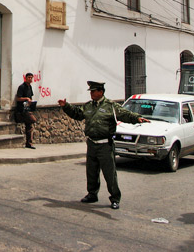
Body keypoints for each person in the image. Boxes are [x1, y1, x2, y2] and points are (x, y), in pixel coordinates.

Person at [58, 81, 150, 210]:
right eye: (90, 91)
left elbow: (124, 114)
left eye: (93, 91)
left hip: (105, 144)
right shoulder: (89, 106)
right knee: (91, 171)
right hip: (91, 143)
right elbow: (78, 114)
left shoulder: (110, 106)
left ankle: (115, 198)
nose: (91, 93)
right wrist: (66, 106)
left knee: (109, 173)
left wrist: (137, 118)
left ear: (100, 92)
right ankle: (92, 194)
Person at [14, 73, 36, 149]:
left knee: (29, 126)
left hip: (28, 108)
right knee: (32, 120)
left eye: (31, 77)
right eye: (29, 77)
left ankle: (29, 143)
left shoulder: (30, 87)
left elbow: (31, 97)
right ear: (25, 78)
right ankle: (29, 142)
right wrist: (26, 98)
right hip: (22, 109)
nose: (30, 79)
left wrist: (31, 102)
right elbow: (18, 98)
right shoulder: (21, 87)